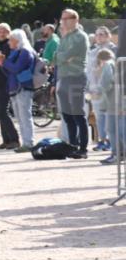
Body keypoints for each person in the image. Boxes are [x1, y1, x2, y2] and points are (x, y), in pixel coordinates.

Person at [54, 9, 90, 157]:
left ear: (75, 20)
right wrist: (64, 57)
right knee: (67, 115)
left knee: (78, 114)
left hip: (76, 77)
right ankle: (72, 145)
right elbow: (56, 57)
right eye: (62, 19)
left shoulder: (81, 37)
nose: (62, 22)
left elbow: (68, 55)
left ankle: (83, 149)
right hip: (64, 77)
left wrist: (64, 57)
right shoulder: (65, 37)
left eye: (65, 19)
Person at [0, 29, 36, 153]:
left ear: (17, 40)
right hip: (15, 88)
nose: (9, 42)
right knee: (20, 117)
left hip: (23, 87)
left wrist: (4, 61)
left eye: (11, 40)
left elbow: (16, 69)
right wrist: (1, 63)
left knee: (25, 116)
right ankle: (26, 142)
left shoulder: (25, 52)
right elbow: (8, 72)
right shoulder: (15, 52)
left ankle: (29, 142)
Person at [87, 26, 115, 151]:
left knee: (111, 117)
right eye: (97, 34)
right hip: (95, 89)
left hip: (111, 90)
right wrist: (89, 87)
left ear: (108, 36)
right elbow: (89, 71)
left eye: (102, 34)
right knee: (99, 117)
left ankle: (111, 141)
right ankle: (102, 140)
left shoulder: (115, 50)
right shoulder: (92, 52)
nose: (99, 37)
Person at [95, 49, 118, 165]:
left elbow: (105, 83)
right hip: (116, 101)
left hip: (112, 102)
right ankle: (117, 153)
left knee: (111, 129)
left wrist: (98, 91)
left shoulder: (108, 65)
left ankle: (116, 154)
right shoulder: (116, 64)